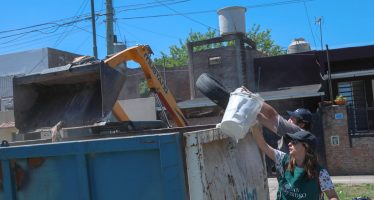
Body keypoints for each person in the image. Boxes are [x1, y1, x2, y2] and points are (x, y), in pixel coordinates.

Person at [251, 124, 339, 200]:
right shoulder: (283, 159)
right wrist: (253, 124)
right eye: (290, 141)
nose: (289, 143)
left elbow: (332, 196)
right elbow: (263, 145)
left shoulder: (321, 173)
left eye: (294, 142)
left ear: (306, 146)